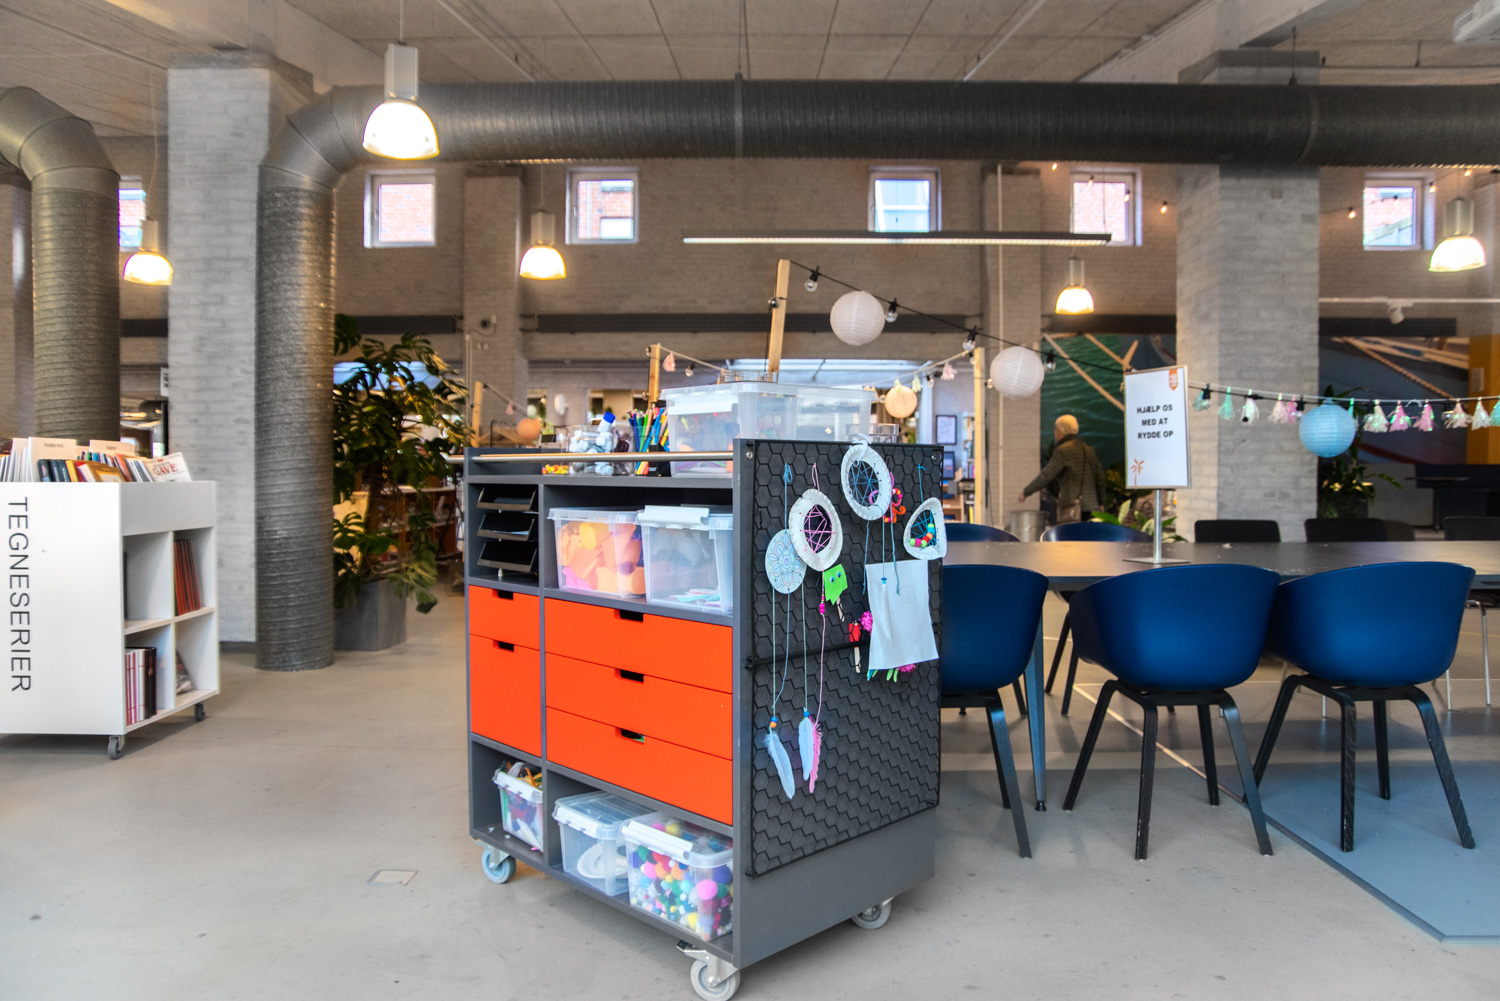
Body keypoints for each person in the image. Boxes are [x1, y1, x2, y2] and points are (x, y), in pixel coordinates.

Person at [1017, 414, 1106, 521]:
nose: (1054, 432)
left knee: (1071, 532)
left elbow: (1047, 475)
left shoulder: (1063, 451)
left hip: (1072, 508)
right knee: (1090, 532)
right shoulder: (1088, 450)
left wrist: (1026, 492)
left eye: (1056, 429)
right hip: (1092, 508)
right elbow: (1100, 480)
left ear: (1061, 431)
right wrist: (1101, 503)